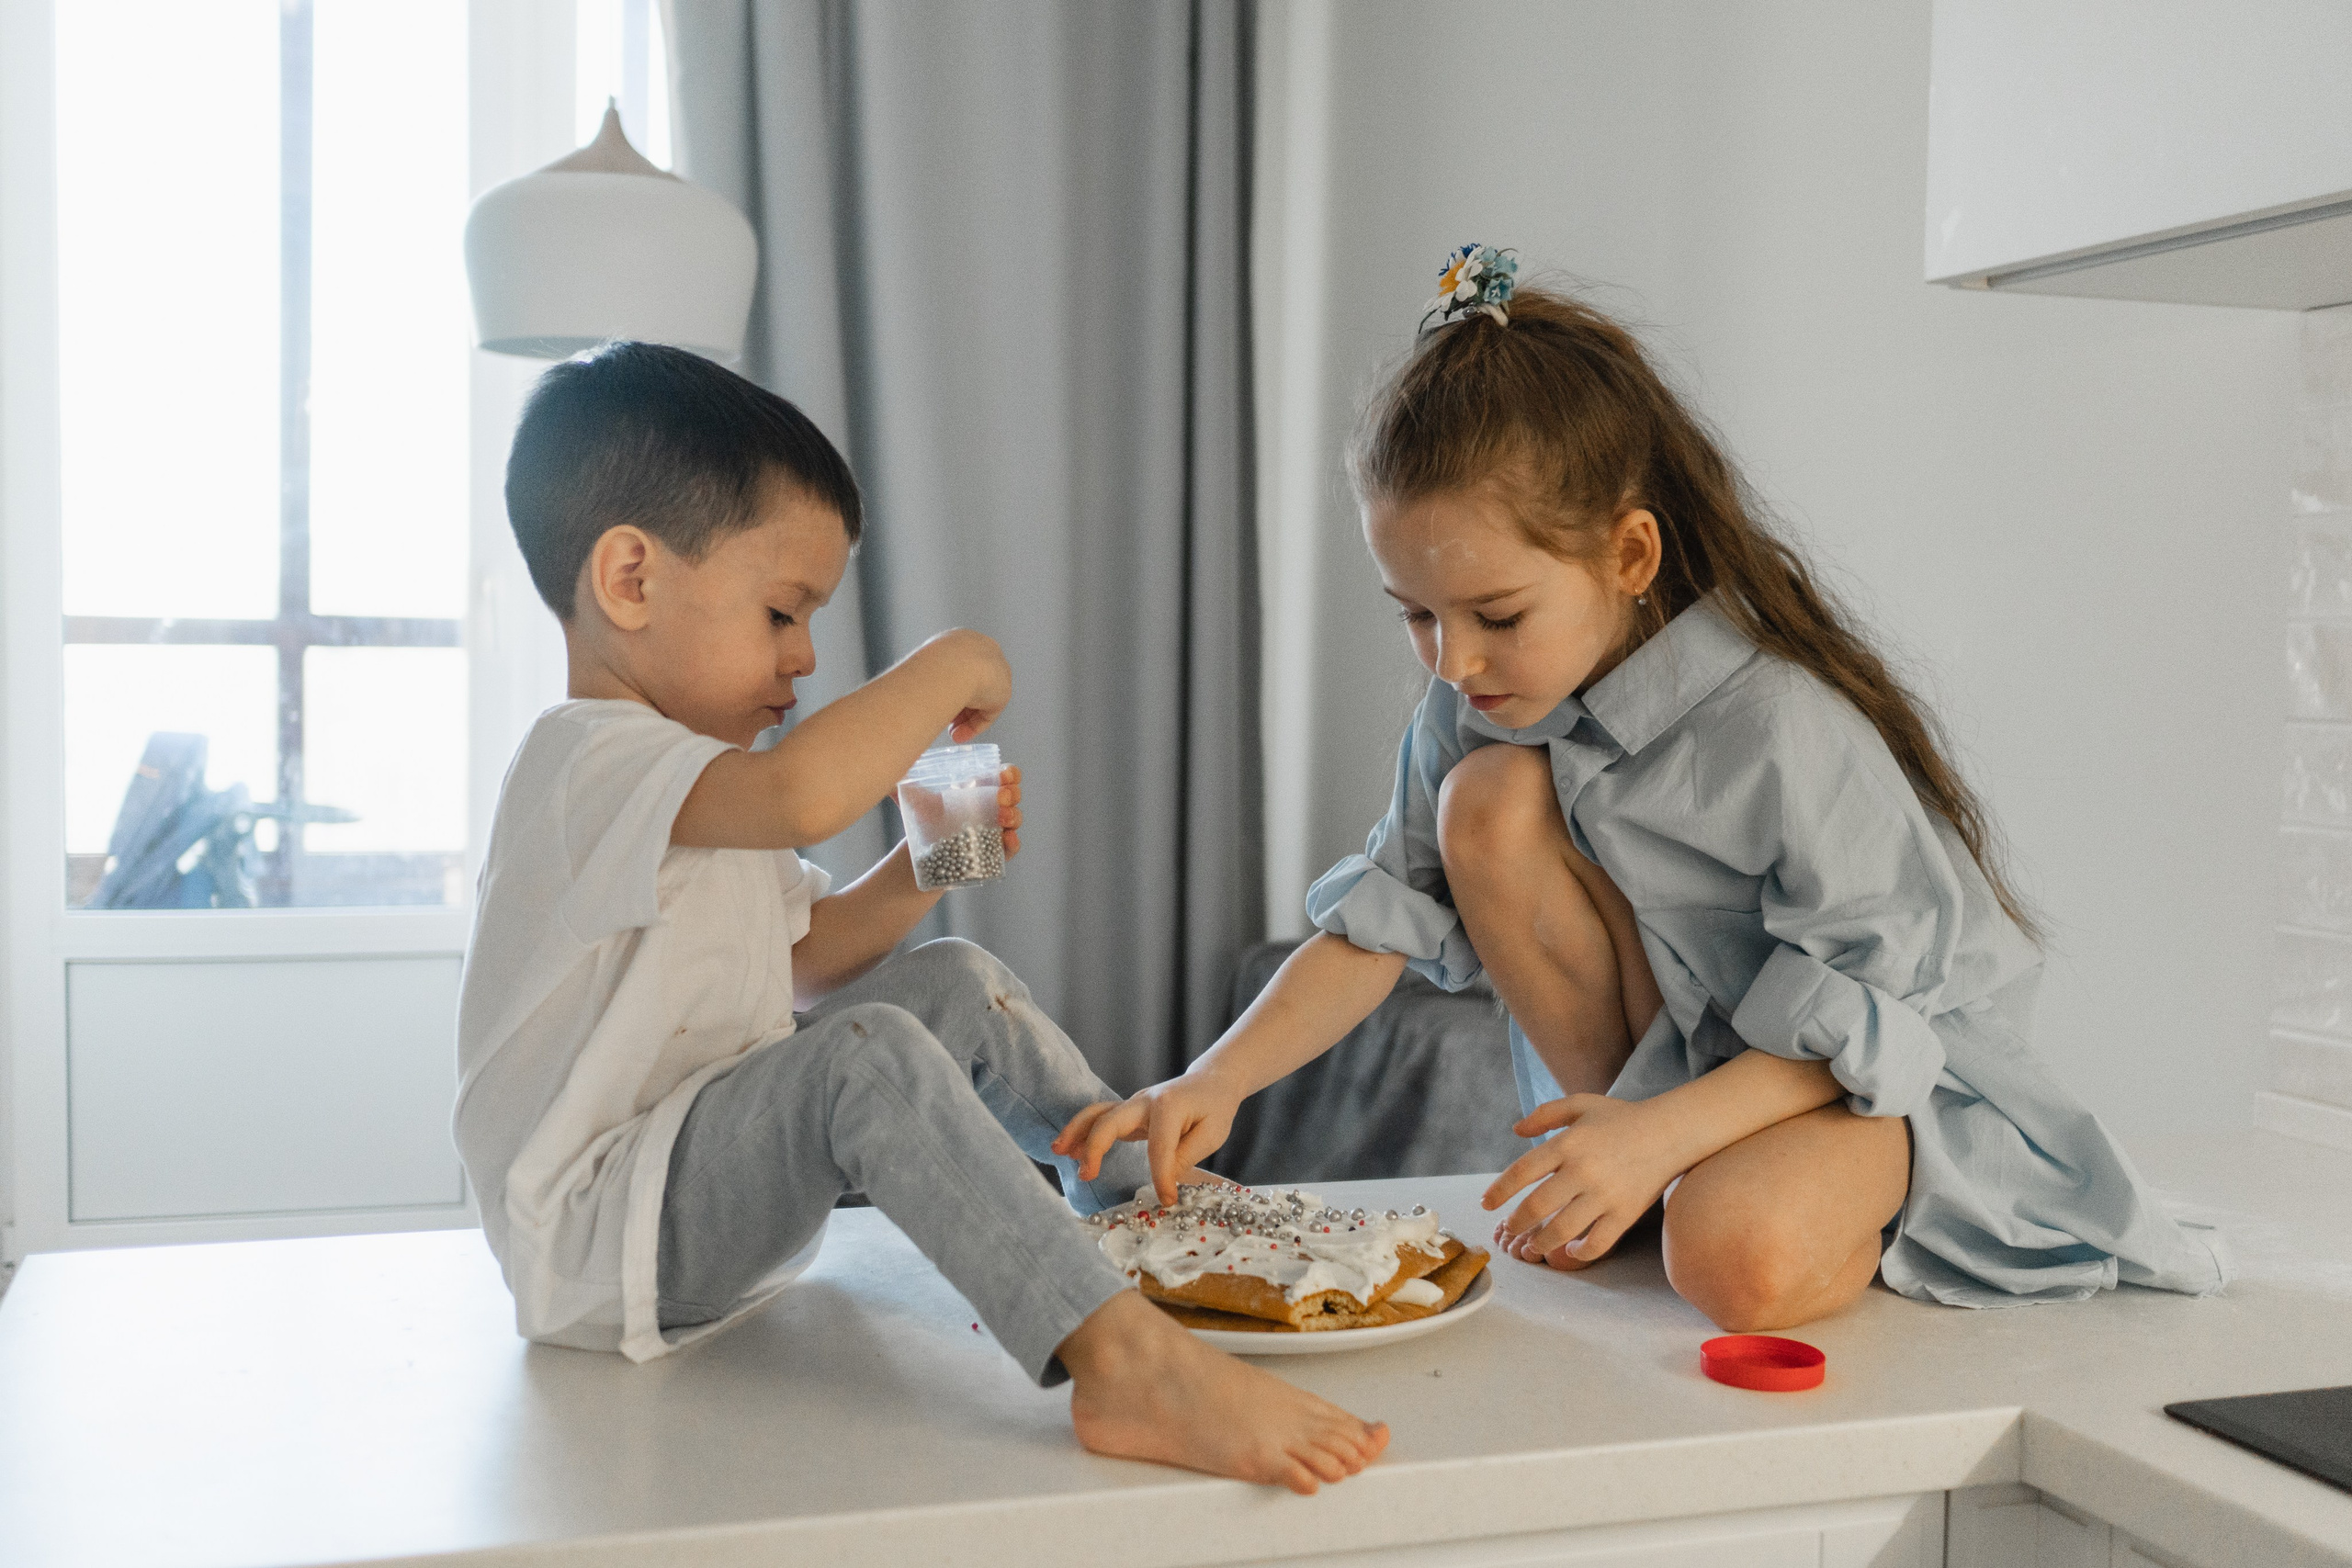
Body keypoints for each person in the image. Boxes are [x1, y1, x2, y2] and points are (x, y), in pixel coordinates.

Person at [1058, 254, 2228, 1332]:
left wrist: (1667, 1140)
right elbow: (1376, 922)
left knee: (1734, 1261)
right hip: (1682, 1081)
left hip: (1882, 1087)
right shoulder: (1472, 709)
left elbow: (1883, 1016)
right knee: (1485, 803)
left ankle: (1725, 1196)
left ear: (1628, 557)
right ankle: (1644, 1176)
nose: (1452, 662)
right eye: (1414, 615)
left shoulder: (1779, 726)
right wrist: (1211, 1079)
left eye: (1495, 616)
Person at [453, 341, 1387, 1493]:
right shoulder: (581, 762)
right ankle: (1125, 1363)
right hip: (609, 1237)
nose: (802, 658)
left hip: (703, 1182)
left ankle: (1142, 1203)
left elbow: (805, 964)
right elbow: (808, 791)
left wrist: (936, 854)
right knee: (867, 1057)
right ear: (631, 580)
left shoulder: (694, 787)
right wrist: (948, 664)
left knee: (945, 981)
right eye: (782, 611)